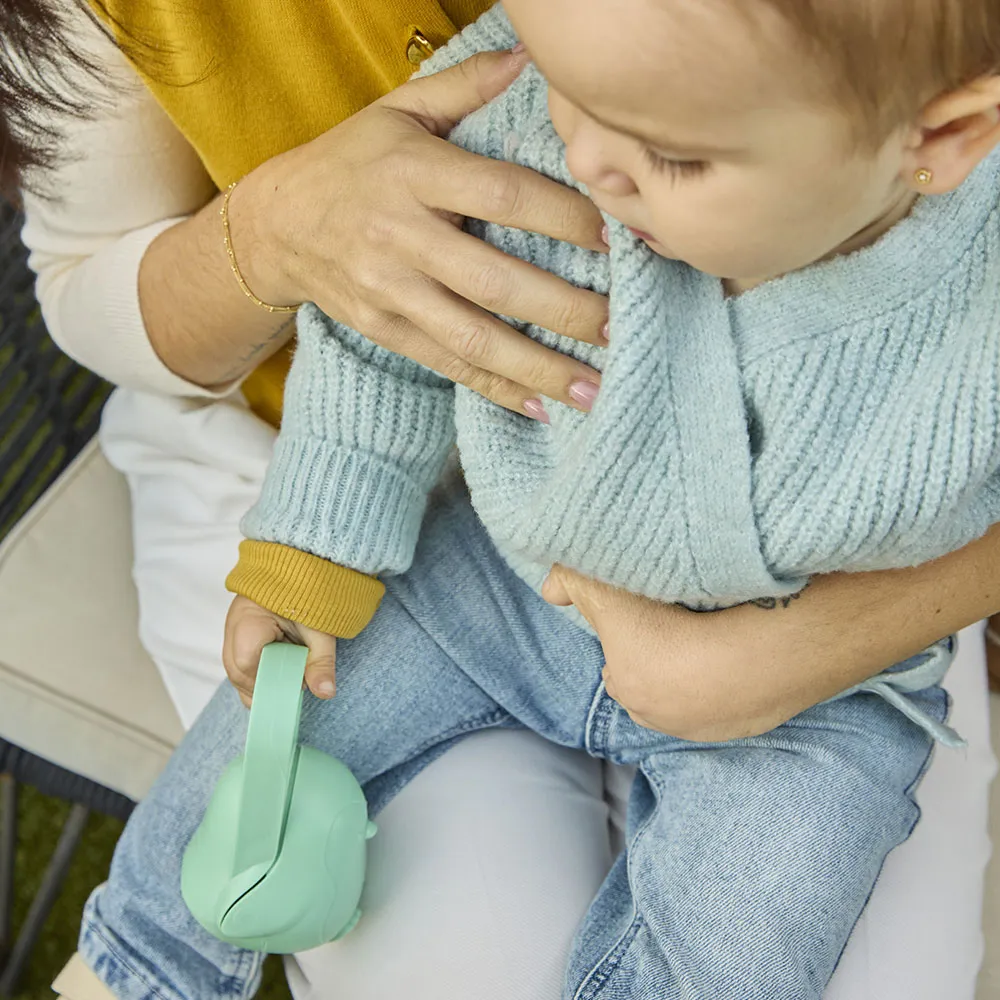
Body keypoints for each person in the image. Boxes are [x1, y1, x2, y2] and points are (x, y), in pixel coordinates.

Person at [0, 0, 994, 998]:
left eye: (672, 157)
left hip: (818, 689)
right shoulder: (549, 91)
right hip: (497, 577)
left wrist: (820, 648)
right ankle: (142, 958)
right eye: (572, 99)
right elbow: (387, 333)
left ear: (944, 137)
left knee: (744, 939)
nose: (589, 159)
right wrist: (312, 551)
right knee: (275, 727)